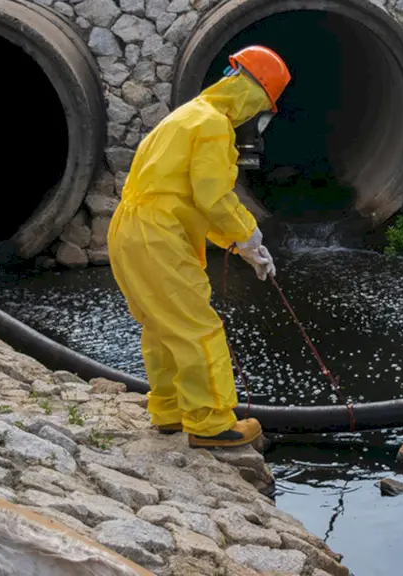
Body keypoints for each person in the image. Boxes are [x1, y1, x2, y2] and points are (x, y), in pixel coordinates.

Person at [107, 45, 291, 448]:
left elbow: (185, 196)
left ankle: (170, 411)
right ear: (253, 94)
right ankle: (210, 423)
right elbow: (213, 196)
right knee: (197, 327)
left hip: (129, 228)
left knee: (162, 326)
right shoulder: (213, 125)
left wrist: (238, 245)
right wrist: (248, 233)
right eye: (262, 109)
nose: (256, 119)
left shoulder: (186, 115)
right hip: (158, 235)